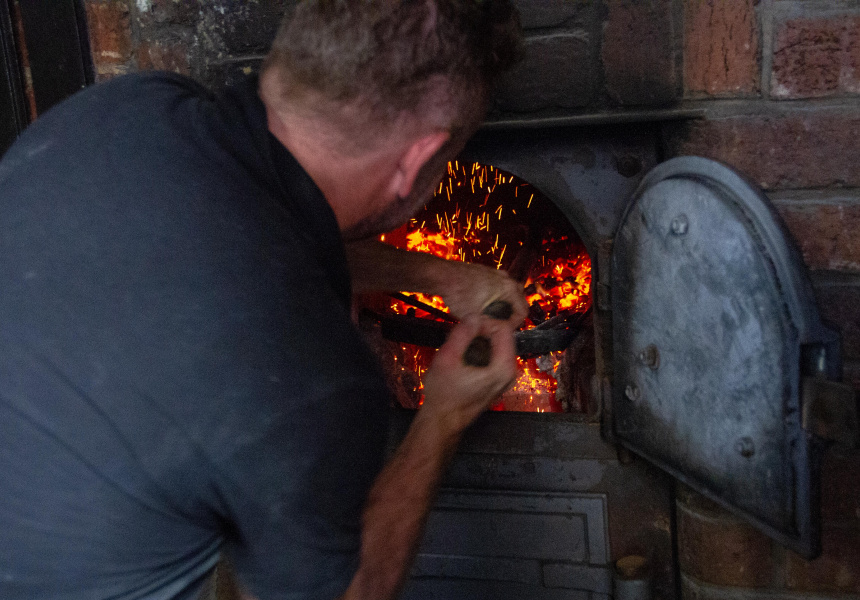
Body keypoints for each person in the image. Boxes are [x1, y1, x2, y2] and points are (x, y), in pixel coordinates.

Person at [0, 1, 525, 599]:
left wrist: (438, 277)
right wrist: (443, 418)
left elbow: (261, 242)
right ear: (417, 158)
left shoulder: (134, 106)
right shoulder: (307, 369)